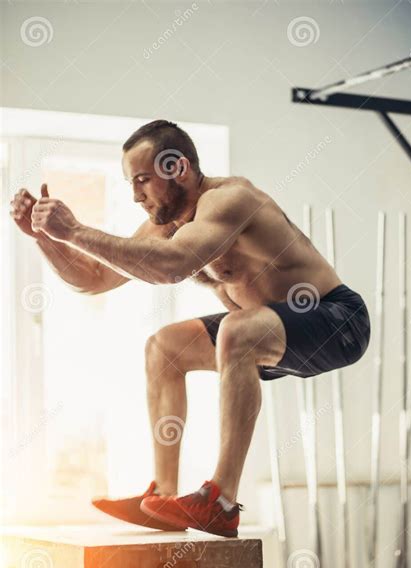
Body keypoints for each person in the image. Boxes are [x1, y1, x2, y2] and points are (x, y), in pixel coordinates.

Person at [10, 119, 370, 538]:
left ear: (178, 168)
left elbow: (171, 268)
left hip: (337, 321)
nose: (135, 195)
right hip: (267, 329)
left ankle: (220, 501)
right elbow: (93, 280)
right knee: (164, 347)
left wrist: (73, 229)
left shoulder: (229, 201)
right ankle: (161, 497)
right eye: (130, 182)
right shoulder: (169, 222)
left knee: (237, 331)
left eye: (143, 180)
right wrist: (47, 239)